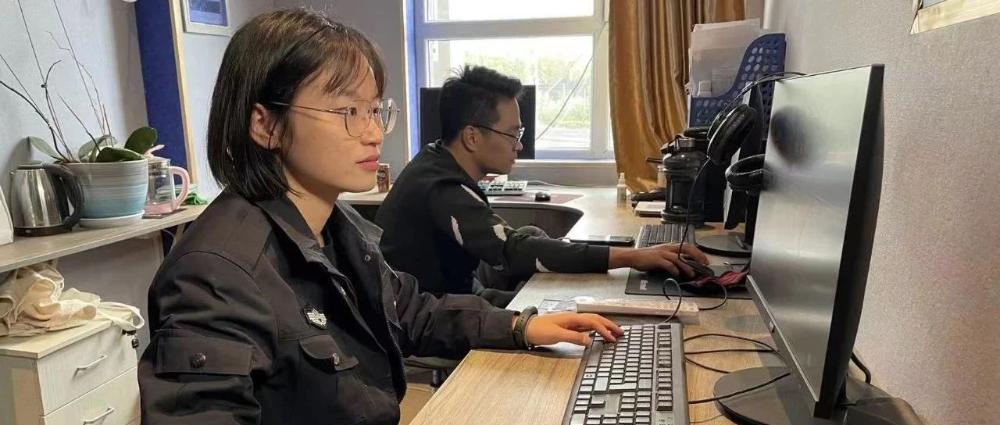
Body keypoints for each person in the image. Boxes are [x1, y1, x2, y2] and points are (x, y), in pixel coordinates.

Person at [137, 10, 622, 425]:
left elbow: (412, 312)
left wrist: (521, 327)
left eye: (374, 110)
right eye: (348, 111)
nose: (373, 133)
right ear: (265, 125)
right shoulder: (216, 275)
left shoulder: (335, 225)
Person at [376, 66, 709, 306]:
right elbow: (512, 252)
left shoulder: (436, 161)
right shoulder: (442, 187)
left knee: (535, 239)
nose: (519, 146)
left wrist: (625, 256)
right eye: (513, 134)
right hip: (434, 312)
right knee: (558, 307)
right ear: (472, 137)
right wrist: (631, 257)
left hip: (455, 288)